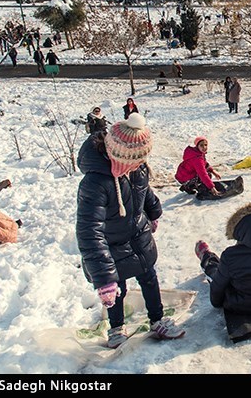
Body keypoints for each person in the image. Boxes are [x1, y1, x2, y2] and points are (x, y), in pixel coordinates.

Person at [76, 113, 185, 348]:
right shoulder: (95, 184)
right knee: (118, 289)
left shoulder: (137, 169)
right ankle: (116, 327)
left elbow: (144, 191)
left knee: (149, 277)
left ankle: (157, 319)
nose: (141, 165)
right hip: (113, 247)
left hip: (139, 237)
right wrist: (104, 278)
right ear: (120, 157)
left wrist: (154, 212)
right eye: (137, 161)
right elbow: (89, 231)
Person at [174, 136, 243, 200]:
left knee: (208, 174)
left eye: (205, 145)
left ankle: (194, 186)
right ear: (197, 146)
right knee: (205, 176)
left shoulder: (198, 153)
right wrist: (212, 188)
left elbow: (205, 164)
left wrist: (213, 172)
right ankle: (189, 186)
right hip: (184, 178)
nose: (204, 147)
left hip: (187, 174)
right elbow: (202, 174)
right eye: (201, 145)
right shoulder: (197, 158)